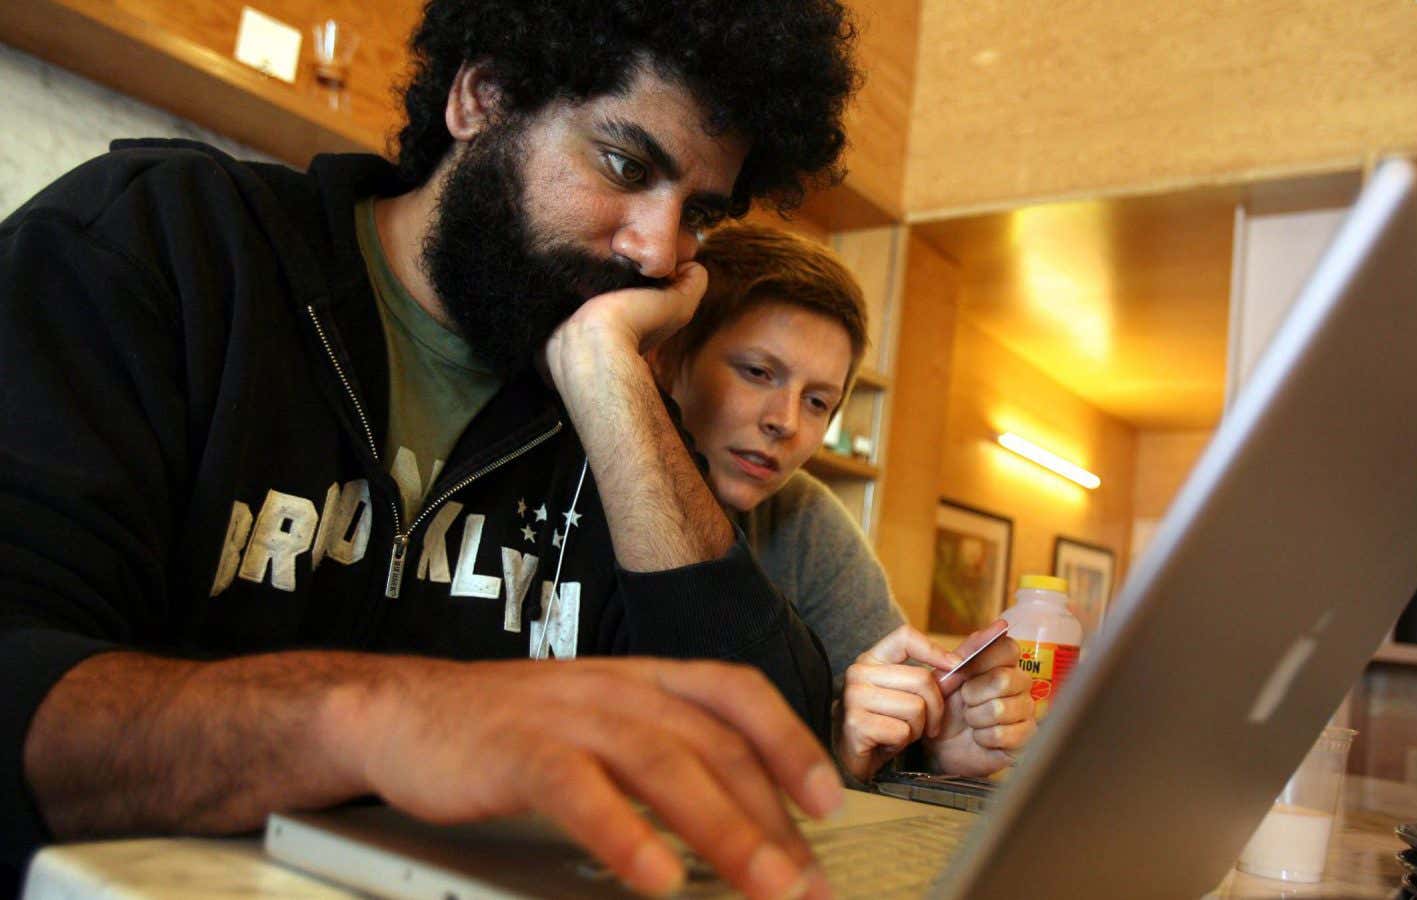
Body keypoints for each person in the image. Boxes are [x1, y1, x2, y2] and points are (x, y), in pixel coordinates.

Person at [0, 3, 861, 898]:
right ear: (481, 97)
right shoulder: (165, 247)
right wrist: (369, 716)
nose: (656, 252)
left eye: (699, 216)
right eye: (625, 164)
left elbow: (773, 765)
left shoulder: (610, 418)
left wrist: (611, 384)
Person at [650, 224, 1038, 785]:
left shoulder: (806, 518)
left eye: (817, 401)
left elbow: (885, 726)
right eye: (758, 372)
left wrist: (934, 748)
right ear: (668, 357)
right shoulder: (574, 486)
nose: (784, 421)